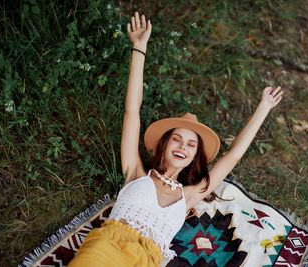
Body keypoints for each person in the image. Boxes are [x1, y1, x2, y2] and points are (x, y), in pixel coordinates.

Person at [69, 11, 283, 267]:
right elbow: (132, 112)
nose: (183, 146)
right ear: (164, 144)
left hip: (148, 260)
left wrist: (264, 107)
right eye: (177, 139)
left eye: (191, 145)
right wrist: (139, 48)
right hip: (109, 245)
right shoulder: (136, 173)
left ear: (194, 157)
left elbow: (233, 155)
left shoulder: (190, 196)